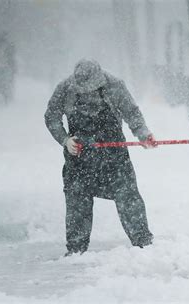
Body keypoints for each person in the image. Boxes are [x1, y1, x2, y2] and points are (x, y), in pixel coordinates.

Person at [45, 59, 156, 255]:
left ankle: (143, 244)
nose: (88, 95)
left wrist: (143, 134)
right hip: (79, 158)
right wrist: (64, 140)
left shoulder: (115, 85)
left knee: (128, 196)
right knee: (77, 202)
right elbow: (51, 117)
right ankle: (76, 249)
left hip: (114, 157)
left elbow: (132, 112)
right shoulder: (64, 88)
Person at [0, 31, 16, 105]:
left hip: (1, 66)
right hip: (5, 67)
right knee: (5, 81)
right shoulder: (8, 46)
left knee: (2, 81)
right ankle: (5, 95)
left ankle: (2, 94)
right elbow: (11, 57)